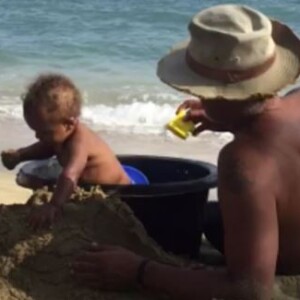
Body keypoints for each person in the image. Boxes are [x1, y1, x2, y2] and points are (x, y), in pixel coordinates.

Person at [71, 4, 300, 300]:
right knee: (208, 218)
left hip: (286, 265)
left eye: (198, 89)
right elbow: (272, 136)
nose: (193, 95)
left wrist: (138, 271)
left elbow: (251, 290)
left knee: (199, 227)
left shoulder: (243, 163)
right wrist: (224, 118)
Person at [1, 73, 131, 229]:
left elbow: (71, 174)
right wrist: (20, 155)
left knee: (56, 184)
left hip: (116, 192)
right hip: (85, 186)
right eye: (35, 131)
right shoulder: (60, 135)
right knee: (31, 177)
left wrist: (54, 205)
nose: (37, 136)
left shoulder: (79, 141)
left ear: (69, 124)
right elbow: (45, 148)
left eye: (44, 132)